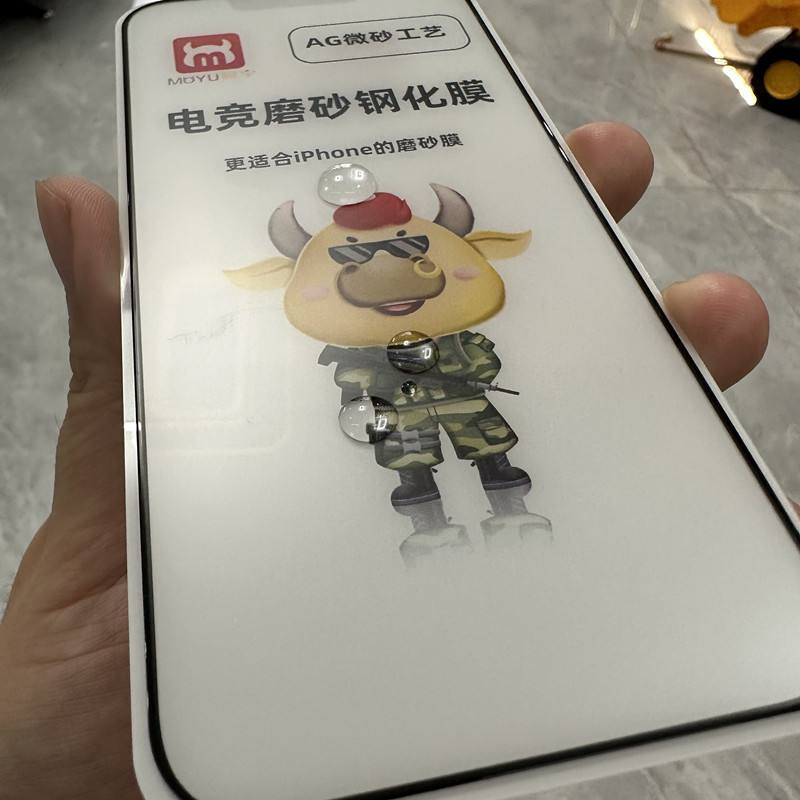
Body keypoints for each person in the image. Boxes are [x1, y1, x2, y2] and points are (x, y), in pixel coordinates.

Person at [0, 122, 780, 800]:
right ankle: (434, 538)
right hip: (403, 422)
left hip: (465, 408)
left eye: (411, 254)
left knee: (495, 461)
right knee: (415, 475)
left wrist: (454, 365)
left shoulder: (454, 337)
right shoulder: (353, 352)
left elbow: (478, 359)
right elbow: (357, 387)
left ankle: (512, 520)